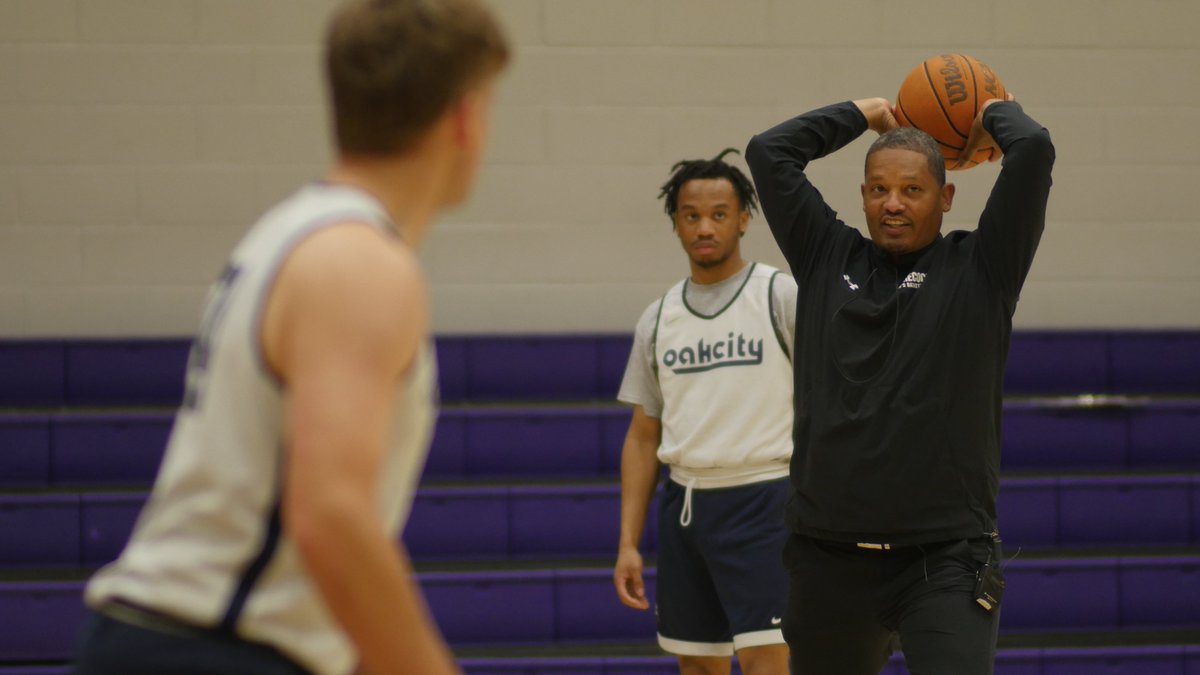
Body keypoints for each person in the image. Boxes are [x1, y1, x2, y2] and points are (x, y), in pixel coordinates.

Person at [72, 2, 509, 674]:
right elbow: (330, 517)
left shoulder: (297, 231)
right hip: (209, 648)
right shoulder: (360, 261)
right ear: (466, 117)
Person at [743, 93, 1054, 675]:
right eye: (878, 189)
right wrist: (867, 113)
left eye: (912, 190)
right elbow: (769, 152)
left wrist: (987, 111)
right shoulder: (823, 253)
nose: (893, 203)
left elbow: (1033, 148)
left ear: (945, 197)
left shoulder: (984, 267)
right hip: (828, 558)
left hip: (944, 559)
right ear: (861, 195)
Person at [613, 149, 796, 675]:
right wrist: (628, 542)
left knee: (769, 662)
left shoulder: (779, 295)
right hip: (687, 507)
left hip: (768, 499)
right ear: (676, 223)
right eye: (692, 215)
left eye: (719, 213)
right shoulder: (659, 318)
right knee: (697, 667)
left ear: (743, 218)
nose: (705, 226)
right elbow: (643, 436)